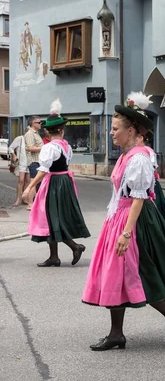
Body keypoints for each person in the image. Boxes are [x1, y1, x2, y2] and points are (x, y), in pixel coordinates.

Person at [82, 92, 165, 351]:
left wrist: (125, 233)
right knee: (115, 276)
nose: (111, 133)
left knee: (143, 275)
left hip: (136, 221)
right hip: (120, 218)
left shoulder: (140, 158)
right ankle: (116, 334)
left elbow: (139, 198)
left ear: (131, 130)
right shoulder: (125, 156)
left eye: (115, 129)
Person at [22, 99, 89, 267]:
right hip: (64, 181)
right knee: (52, 218)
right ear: (61, 130)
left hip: (54, 183)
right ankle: (54, 256)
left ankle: (74, 247)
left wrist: (29, 187)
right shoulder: (66, 146)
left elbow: (43, 170)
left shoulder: (50, 147)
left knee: (52, 218)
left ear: (48, 132)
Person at [137, 130, 165, 233]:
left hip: (150, 184)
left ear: (141, 138)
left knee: (155, 207)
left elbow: (152, 168)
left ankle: (158, 229)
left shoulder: (148, 151)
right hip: (142, 184)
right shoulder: (137, 151)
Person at [24, 116, 44, 210]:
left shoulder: (36, 133)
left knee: (38, 182)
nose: (41, 124)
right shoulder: (30, 134)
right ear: (33, 123)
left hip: (38, 161)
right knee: (33, 182)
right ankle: (30, 204)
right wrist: (44, 148)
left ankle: (35, 202)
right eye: (39, 122)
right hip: (34, 161)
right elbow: (29, 147)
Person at [8, 134, 30, 207]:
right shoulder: (20, 138)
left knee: (27, 181)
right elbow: (10, 147)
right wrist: (14, 155)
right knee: (21, 180)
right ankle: (17, 199)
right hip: (21, 163)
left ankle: (24, 199)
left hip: (30, 163)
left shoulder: (32, 139)